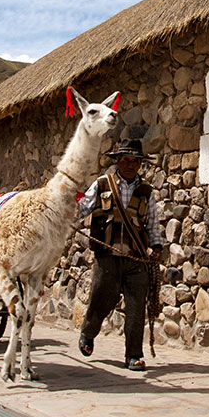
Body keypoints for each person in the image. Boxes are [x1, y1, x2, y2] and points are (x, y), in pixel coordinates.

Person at [76, 139, 164, 371]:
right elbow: (82, 207)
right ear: (117, 162)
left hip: (136, 258)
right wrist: (65, 213)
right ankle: (88, 332)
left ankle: (134, 355)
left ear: (140, 165)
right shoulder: (102, 184)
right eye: (125, 160)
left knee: (136, 307)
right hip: (107, 255)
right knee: (103, 298)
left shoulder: (146, 192)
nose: (130, 165)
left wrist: (156, 246)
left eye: (135, 161)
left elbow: (152, 223)